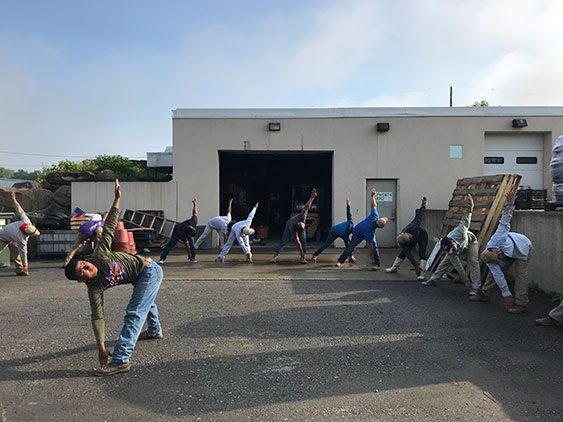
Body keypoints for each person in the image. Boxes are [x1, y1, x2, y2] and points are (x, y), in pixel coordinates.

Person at [64, 179, 163, 376]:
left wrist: (117, 200)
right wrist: (100, 347)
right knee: (145, 300)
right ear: (81, 280)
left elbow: (109, 228)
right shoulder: (94, 288)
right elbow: (97, 317)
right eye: (82, 271)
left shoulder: (99, 257)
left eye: (84, 264)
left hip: (149, 269)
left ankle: (120, 359)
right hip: (138, 277)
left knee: (135, 311)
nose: (87, 268)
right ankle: (154, 330)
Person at [470, 189, 532, 314]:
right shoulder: (492, 261)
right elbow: (500, 277)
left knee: (521, 276)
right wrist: (507, 295)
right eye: (498, 257)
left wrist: (509, 205)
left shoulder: (497, 238)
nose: (499, 255)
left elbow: (504, 221)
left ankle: (521, 304)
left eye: (498, 253)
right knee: (493, 275)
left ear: (493, 249)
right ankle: (485, 294)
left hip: (523, 247)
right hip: (508, 253)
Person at [422, 194, 481, 294]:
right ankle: (434, 279)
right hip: (461, 247)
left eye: (453, 248)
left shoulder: (460, 231)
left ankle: (476, 286)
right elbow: (458, 266)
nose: (453, 251)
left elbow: (466, 218)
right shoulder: (450, 251)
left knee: (473, 261)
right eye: (450, 251)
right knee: (445, 262)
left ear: (453, 242)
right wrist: (466, 280)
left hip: (471, 243)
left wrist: (470, 205)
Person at [335, 188, 388, 270]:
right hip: (358, 233)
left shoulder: (374, 218)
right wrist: (371, 259)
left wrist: (373, 196)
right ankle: (340, 261)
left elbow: (373, 205)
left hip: (359, 230)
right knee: (351, 247)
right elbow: (370, 248)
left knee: (370, 246)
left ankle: (376, 264)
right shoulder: (371, 226)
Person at [386, 196, 428, 280]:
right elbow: (409, 254)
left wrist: (423, 205)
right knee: (403, 253)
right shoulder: (402, 242)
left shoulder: (413, 226)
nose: (411, 237)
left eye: (410, 236)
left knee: (422, 252)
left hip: (422, 235)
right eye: (410, 238)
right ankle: (394, 268)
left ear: (407, 233)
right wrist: (415, 266)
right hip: (411, 240)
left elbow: (418, 216)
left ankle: (422, 274)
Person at [271, 188, 317, 264]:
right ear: (298, 224)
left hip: (295, 226)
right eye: (303, 225)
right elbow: (298, 244)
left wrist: (312, 197)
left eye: (303, 226)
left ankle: (303, 258)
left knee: (304, 241)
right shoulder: (292, 229)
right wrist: (301, 251)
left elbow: (307, 207)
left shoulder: (301, 216)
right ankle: (275, 256)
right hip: (288, 225)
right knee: (284, 241)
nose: (304, 224)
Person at [0, 191, 40, 276]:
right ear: (29, 234)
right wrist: (26, 265)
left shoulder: (26, 221)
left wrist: (14, 200)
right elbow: (24, 253)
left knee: (16, 254)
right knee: (18, 253)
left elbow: (19, 210)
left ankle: (20, 270)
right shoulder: (21, 239)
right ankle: (23, 269)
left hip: (12, 237)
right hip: (2, 237)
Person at [311, 198, 356, 263]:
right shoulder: (347, 232)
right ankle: (315, 254)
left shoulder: (351, 222)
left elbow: (349, 214)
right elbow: (348, 214)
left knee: (348, 245)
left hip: (336, 230)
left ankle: (351, 257)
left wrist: (348, 205)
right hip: (334, 231)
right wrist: (348, 206)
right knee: (327, 244)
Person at [159, 198, 198, 264]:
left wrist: (195, 204)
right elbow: (187, 245)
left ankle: (193, 258)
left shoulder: (193, 221)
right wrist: (189, 255)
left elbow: (195, 212)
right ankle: (162, 258)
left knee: (192, 244)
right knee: (171, 244)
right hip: (177, 230)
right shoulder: (182, 233)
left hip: (185, 229)